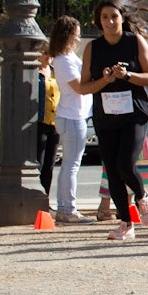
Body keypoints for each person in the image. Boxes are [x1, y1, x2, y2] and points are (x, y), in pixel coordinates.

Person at [79, 0, 148, 241]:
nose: (110, 21)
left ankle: (143, 195)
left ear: (122, 18)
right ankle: (126, 223)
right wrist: (105, 80)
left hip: (134, 113)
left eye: (114, 16)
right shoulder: (93, 48)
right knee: (112, 171)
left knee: (125, 163)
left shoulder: (135, 41)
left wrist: (127, 75)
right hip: (106, 116)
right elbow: (83, 87)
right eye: (104, 17)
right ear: (98, 22)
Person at [48, 16, 93, 224]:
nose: (78, 38)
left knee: (69, 165)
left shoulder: (65, 57)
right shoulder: (64, 61)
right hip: (72, 116)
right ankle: (68, 208)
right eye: (76, 33)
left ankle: (66, 206)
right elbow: (79, 87)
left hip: (72, 115)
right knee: (71, 165)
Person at [35, 41, 59, 197]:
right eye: (44, 52)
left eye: (49, 52)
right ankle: (35, 196)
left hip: (55, 123)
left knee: (50, 164)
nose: (48, 56)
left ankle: (45, 198)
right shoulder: (32, 72)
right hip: (39, 122)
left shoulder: (56, 72)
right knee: (39, 162)